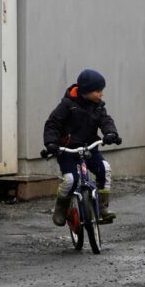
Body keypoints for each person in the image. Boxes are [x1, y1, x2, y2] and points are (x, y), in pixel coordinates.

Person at [44, 69, 121, 226]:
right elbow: (52, 124)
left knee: (105, 169)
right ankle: (61, 207)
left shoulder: (98, 106)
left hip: (88, 148)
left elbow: (106, 120)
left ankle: (102, 208)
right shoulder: (67, 105)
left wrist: (111, 133)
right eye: (98, 90)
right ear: (86, 91)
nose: (102, 94)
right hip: (67, 150)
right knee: (71, 179)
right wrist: (51, 143)